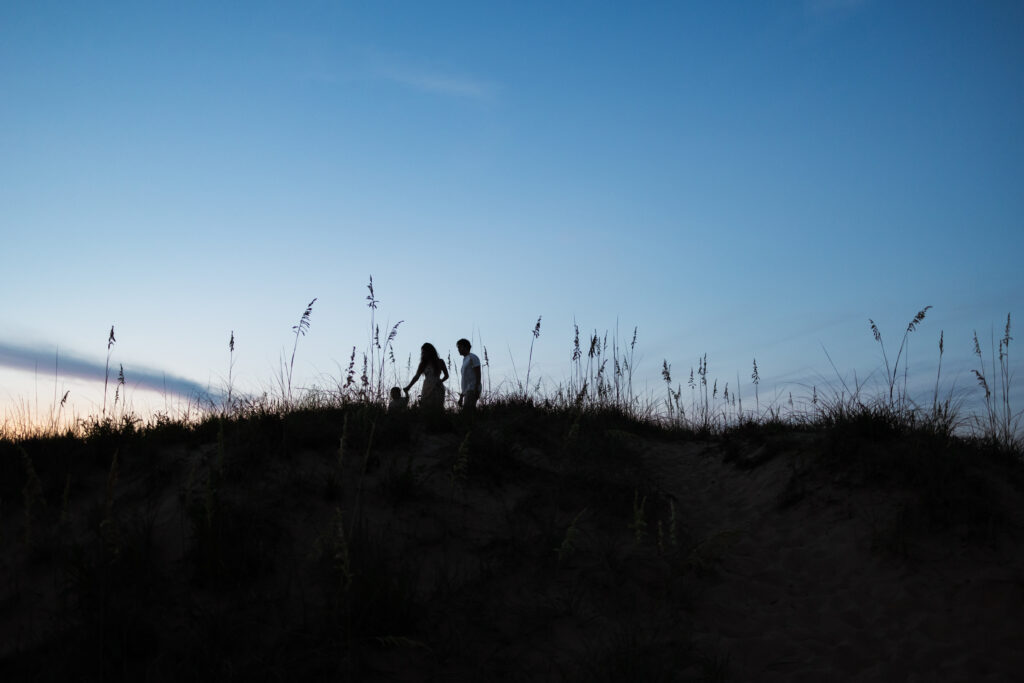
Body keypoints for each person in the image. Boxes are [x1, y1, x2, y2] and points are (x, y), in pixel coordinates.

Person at [404, 343, 449, 410]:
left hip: (437, 387)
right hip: (427, 386)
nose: (424, 353)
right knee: (425, 407)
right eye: (423, 352)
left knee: (437, 408)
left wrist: (440, 381)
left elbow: (446, 375)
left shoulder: (440, 361)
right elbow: (416, 377)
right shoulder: (423, 364)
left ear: (431, 352)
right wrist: (408, 386)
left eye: (425, 351)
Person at [456, 338, 482, 412]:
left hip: (473, 389)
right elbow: (465, 380)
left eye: (459, 347)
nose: (458, 349)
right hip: (467, 390)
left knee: (468, 412)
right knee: (469, 412)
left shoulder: (473, 357)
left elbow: (478, 373)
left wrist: (476, 388)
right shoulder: (465, 360)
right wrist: (461, 396)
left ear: (465, 347)